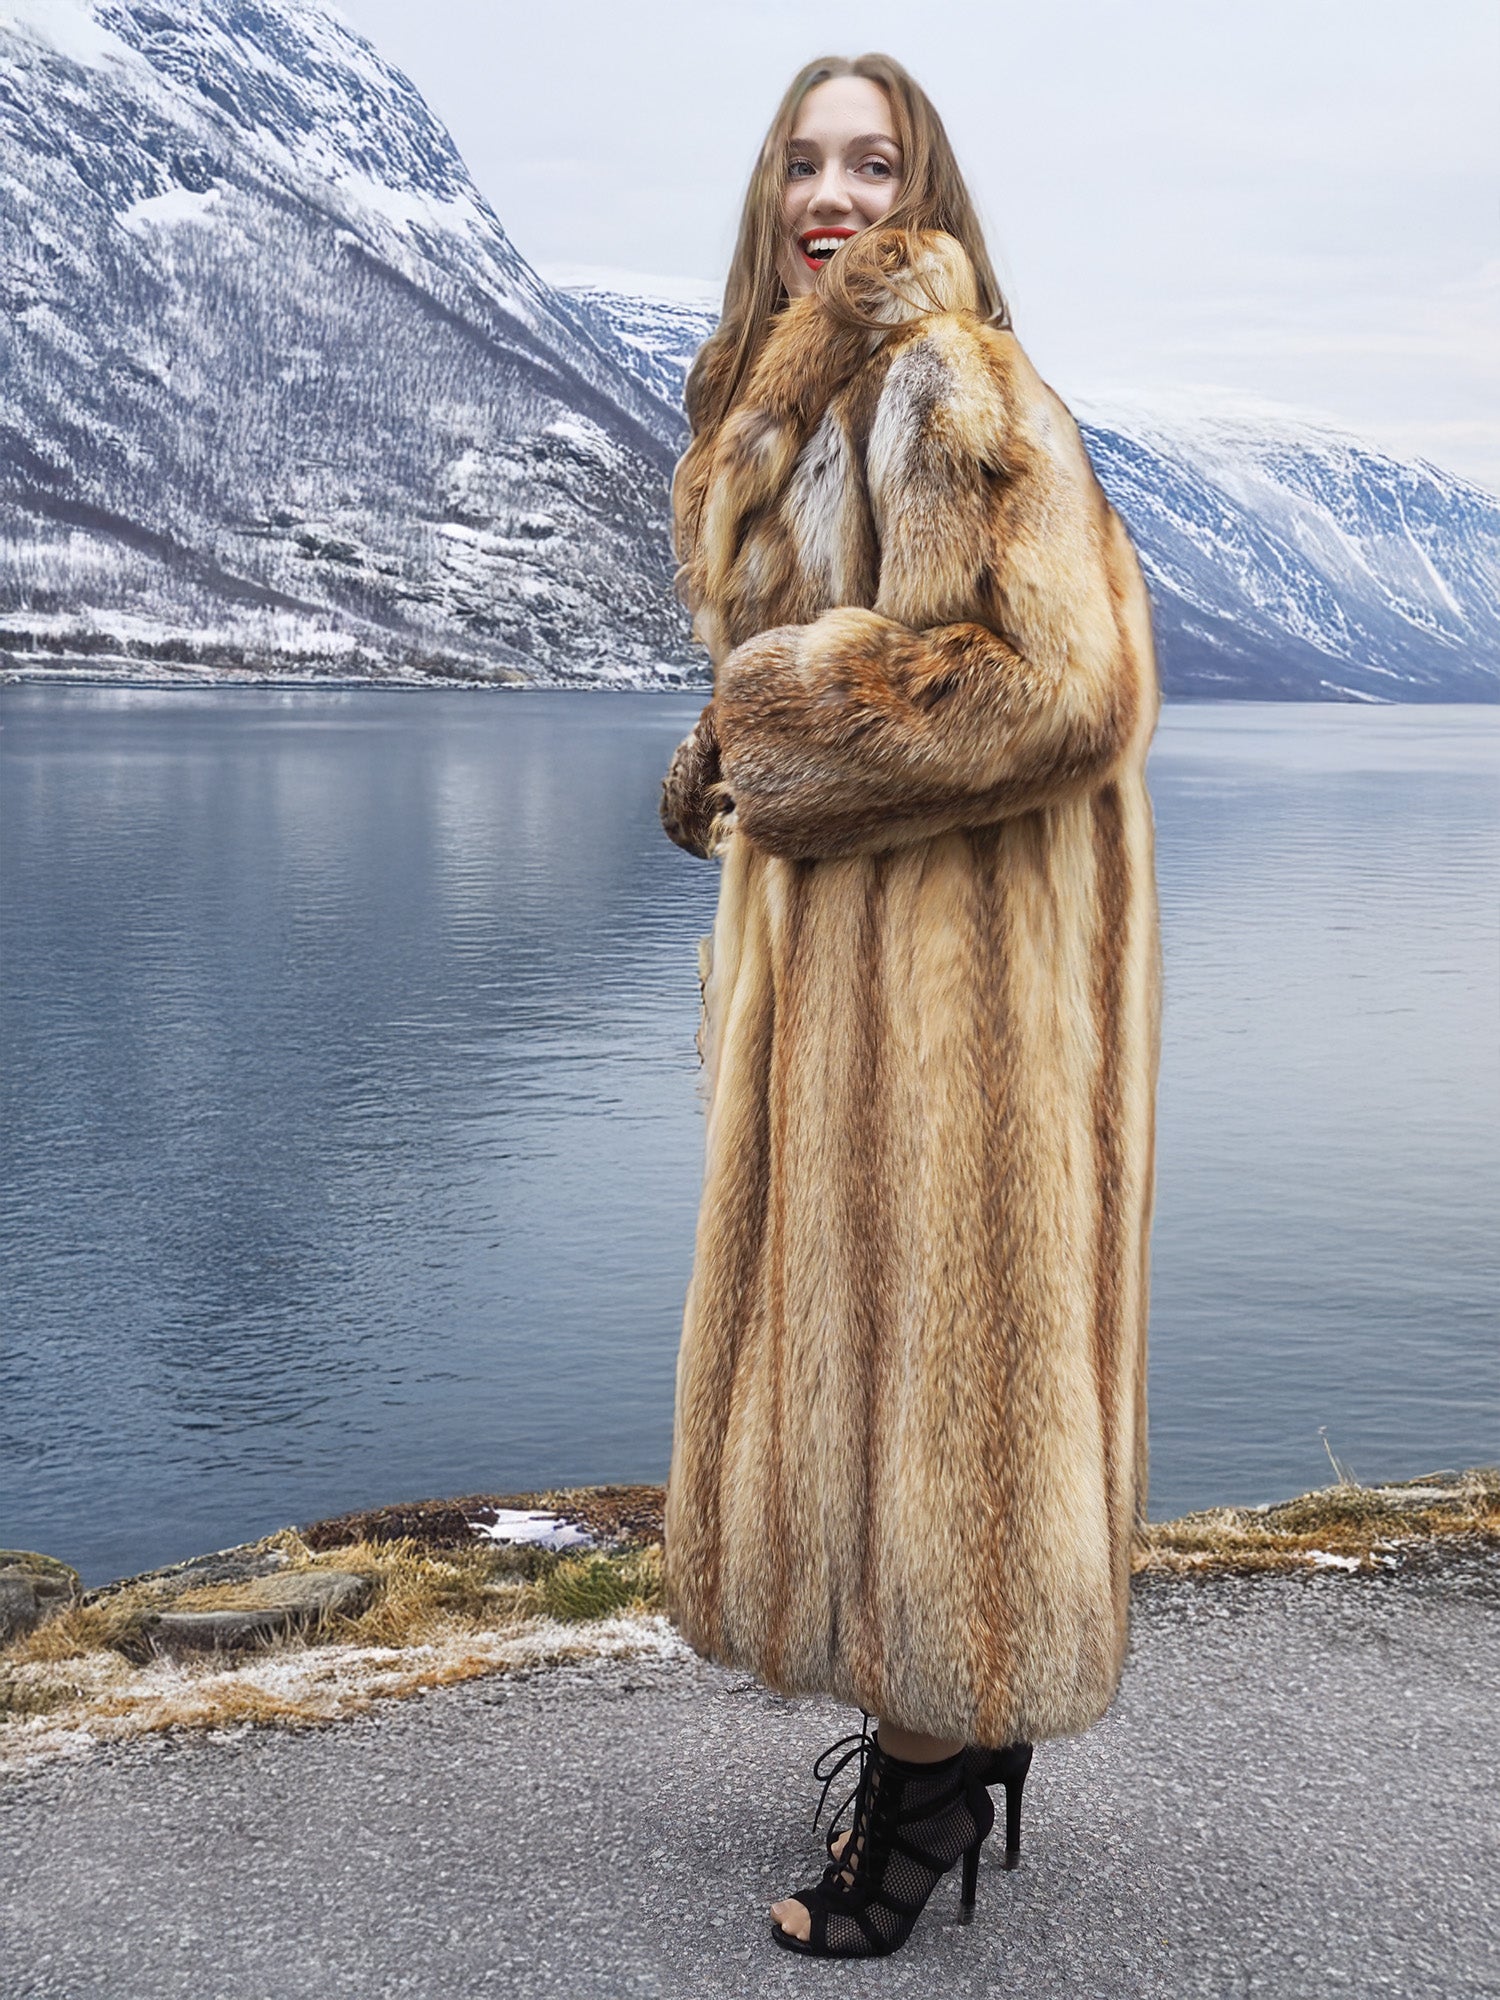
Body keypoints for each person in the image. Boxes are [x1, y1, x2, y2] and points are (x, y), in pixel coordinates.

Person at [659, 52, 1162, 1960]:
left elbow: (1061, 684)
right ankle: (930, 1727)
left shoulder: (957, 383)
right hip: (850, 972)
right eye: (804, 161)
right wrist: (727, 754)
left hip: (969, 991)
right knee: (877, 1337)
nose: (832, 196)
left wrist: (773, 721)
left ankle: (937, 1780)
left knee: (955, 1360)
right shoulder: (783, 417)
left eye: (873, 162)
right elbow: (834, 675)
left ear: (923, 185)